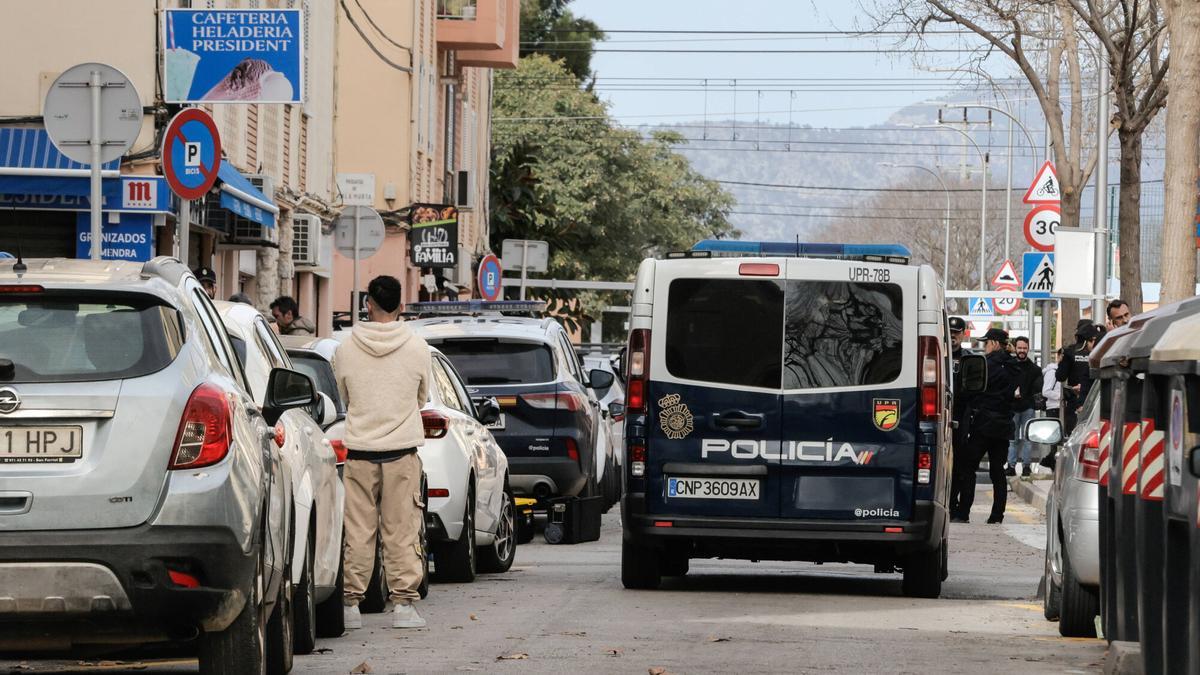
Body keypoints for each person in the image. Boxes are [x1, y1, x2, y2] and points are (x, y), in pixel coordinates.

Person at [334, 275, 431, 630]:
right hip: (402, 451)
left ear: (368, 305)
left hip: (359, 451)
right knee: (401, 529)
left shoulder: (346, 347)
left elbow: (345, 394)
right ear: (401, 306)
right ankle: (404, 605)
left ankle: (350, 605)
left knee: (358, 530)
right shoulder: (417, 347)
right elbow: (422, 396)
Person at [951, 328, 1019, 524]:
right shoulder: (1014, 366)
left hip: (983, 425)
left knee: (968, 468)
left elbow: (969, 392)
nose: (985, 347)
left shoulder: (985, 365)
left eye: (987, 343)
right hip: (1004, 426)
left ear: (995, 343)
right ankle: (997, 516)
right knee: (997, 472)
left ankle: (963, 513)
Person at [948, 317, 974, 522]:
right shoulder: (937, 355)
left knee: (961, 467)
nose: (953, 336)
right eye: (950, 332)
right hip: (941, 416)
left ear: (964, 334)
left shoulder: (969, 359)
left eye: (957, 332)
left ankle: (960, 508)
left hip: (962, 418)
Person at [1007, 337, 1043, 477]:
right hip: (1013, 407)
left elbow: (1038, 388)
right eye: (1020, 348)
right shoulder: (1009, 365)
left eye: (1024, 348)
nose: (1022, 351)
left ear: (1028, 349)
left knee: (1027, 438)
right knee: (1013, 439)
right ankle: (1011, 466)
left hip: (1028, 407)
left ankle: (1026, 466)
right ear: (1015, 348)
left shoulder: (1035, 369)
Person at [1056, 320, 1095, 435]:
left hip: (1075, 401)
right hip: (1094, 398)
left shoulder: (1069, 351)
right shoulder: (1097, 351)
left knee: (1073, 434)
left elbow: (1060, 376)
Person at [1038, 348, 1065, 470]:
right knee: (1055, 439)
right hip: (1053, 408)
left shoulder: (1062, 371)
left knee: (1059, 439)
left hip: (1060, 408)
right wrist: (1061, 397)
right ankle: (1051, 462)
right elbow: (1046, 391)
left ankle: (1051, 461)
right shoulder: (1052, 372)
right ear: (1058, 356)